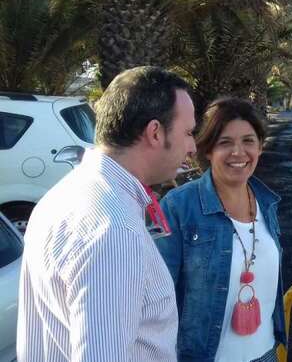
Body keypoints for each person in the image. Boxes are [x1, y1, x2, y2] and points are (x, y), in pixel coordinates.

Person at [17, 66, 197, 362]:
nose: (192, 147)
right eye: (188, 132)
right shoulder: (114, 230)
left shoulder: (63, 194)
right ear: (154, 132)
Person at [156, 97, 285, 362]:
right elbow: (157, 299)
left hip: (266, 354)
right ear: (208, 150)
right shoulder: (179, 206)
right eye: (225, 142)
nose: (238, 152)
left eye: (248, 141)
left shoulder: (267, 203)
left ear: (260, 147)